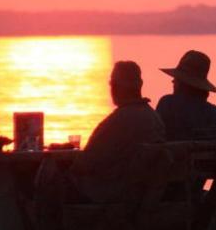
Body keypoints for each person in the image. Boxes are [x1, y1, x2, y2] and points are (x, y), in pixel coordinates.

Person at [155, 50, 216, 230]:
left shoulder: (167, 105)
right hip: (195, 187)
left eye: (175, 80)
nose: (172, 83)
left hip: (164, 189)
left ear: (180, 83)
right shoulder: (214, 114)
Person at [70, 61, 165, 203]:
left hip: (111, 197)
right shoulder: (154, 118)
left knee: (49, 178)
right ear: (140, 85)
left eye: (112, 83)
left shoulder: (117, 121)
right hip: (140, 197)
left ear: (115, 87)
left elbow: (84, 163)